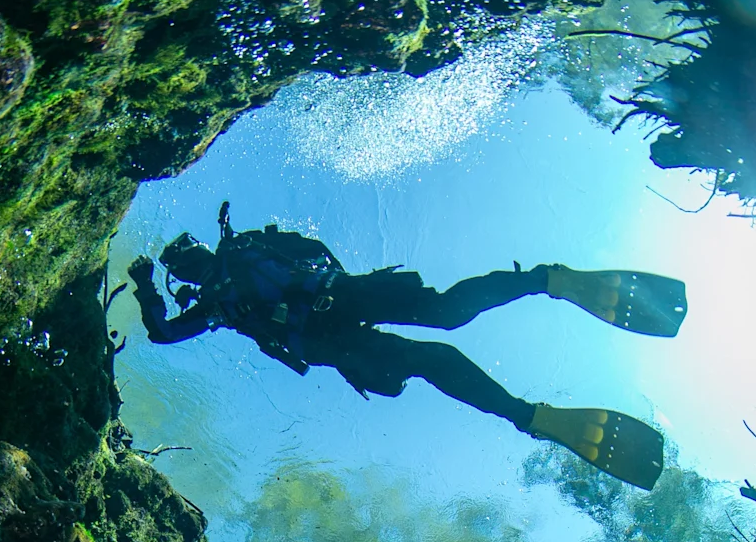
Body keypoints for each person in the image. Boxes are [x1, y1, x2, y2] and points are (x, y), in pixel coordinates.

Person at [128, 203, 687, 490]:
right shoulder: (236, 264)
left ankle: (528, 404)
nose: (194, 263)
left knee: (432, 351)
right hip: (341, 308)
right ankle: (544, 284)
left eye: (185, 259)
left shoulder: (218, 300)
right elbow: (314, 248)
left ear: (188, 270)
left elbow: (163, 331)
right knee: (441, 326)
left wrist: (148, 284)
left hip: (334, 327)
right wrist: (349, 287)